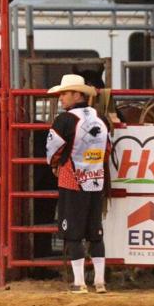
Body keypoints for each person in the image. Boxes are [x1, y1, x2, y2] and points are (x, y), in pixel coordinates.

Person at [45, 74, 110, 294]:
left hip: (72, 180)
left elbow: (53, 150)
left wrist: (55, 165)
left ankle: (80, 282)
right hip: (95, 179)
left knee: (73, 232)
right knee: (95, 231)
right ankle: (100, 282)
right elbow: (107, 149)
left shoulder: (64, 120)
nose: (61, 98)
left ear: (77, 94)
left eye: (64, 93)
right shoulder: (100, 119)